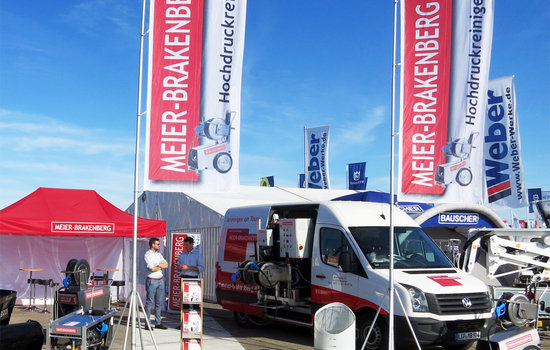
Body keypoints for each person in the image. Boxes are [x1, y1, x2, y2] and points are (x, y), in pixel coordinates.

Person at [144, 237, 168, 330]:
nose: (159, 245)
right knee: (150, 302)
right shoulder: (147, 255)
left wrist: (158, 265)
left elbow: (166, 264)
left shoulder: (158, 254)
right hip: (152, 280)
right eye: (157, 244)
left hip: (160, 280)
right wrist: (160, 266)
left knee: (159, 302)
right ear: (152, 245)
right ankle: (147, 323)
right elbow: (151, 268)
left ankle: (158, 322)